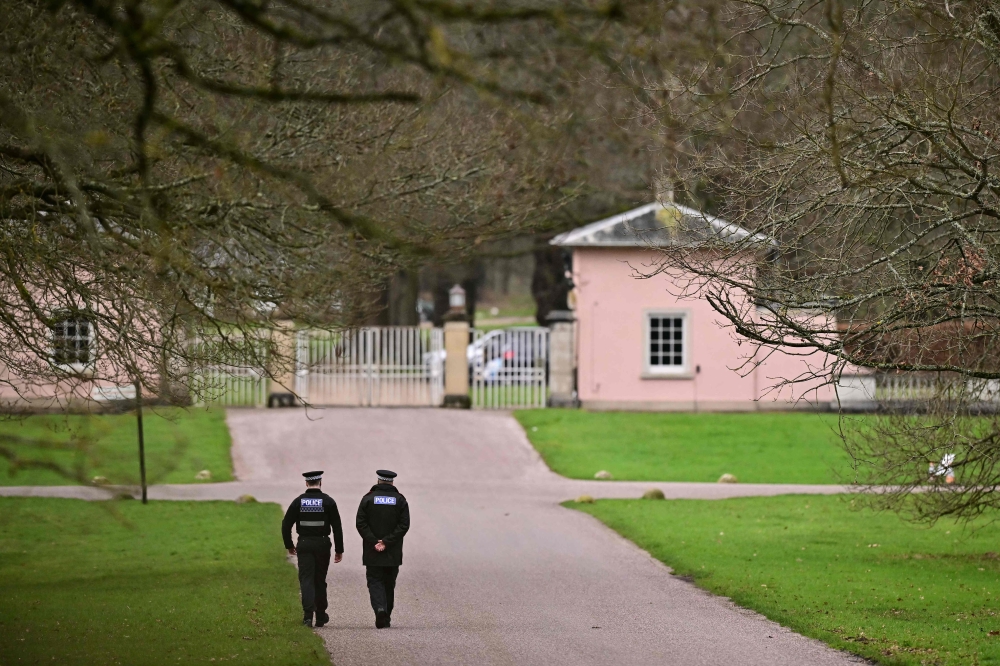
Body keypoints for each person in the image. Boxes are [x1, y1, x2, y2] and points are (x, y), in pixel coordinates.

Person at [282, 470, 344, 627]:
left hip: (304, 544)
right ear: (320, 483)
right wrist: (339, 549)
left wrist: (289, 545)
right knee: (320, 580)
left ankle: (308, 617)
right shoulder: (328, 501)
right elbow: (337, 527)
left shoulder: (298, 501)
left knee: (306, 579)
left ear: (306, 483)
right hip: (323, 544)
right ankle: (321, 616)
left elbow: (286, 525)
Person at [356, 469, 410, 628]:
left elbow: (361, 523)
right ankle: (386, 615)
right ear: (392, 481)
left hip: (372, 550)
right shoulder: (400, 500)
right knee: (389, 583)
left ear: (378, 480)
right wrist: (387, 542)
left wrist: (374, 541)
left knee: (374, 581)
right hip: (392, 551)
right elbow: (404, 525)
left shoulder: (368, 499)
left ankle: (379, 609)